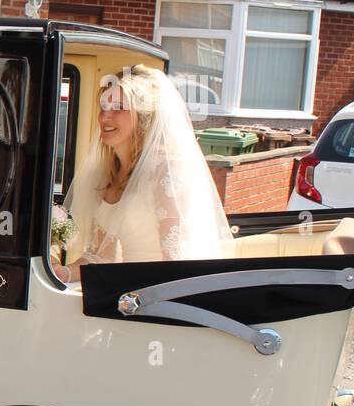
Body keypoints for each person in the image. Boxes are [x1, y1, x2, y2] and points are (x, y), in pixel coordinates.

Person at [54, 65, 231, 284]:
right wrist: (65, 273)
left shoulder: (166, 169)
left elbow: (174, 258)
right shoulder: (106, 173)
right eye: (103, 106)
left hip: (158, 290)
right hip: (127, 291)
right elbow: (102, 257)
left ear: (143, 116)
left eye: (119, 107)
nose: (105, 116)